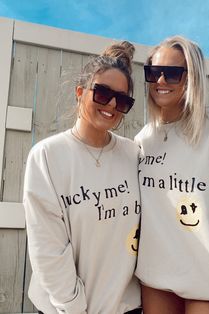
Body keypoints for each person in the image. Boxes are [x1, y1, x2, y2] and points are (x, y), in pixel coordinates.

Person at [23, 41, 142, 314]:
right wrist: (73, 308)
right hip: (65, 309)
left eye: (122, 100)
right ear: (80, 92)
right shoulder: (47, 156)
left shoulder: (133, 155)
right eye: (102, 93)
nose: (111, 104)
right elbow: (48, 249)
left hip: (127, 308)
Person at [135, 35, 209, 314]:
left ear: (192, 79)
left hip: (207, 275)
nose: (161, 81)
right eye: (154, 72)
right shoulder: (142, 140)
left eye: (174, 73)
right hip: (155, 275)